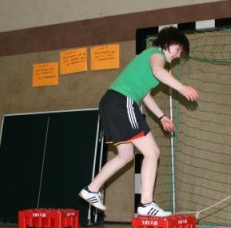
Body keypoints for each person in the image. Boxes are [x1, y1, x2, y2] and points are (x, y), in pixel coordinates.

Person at [79, 27, 199, 217]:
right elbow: (158, 71)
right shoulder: (156, 54)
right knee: (152, 152)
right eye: (178, 49)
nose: (178, 55)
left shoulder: (147, 58)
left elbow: (145, 94)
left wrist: (161, 117)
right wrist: (181, 87)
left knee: (125, 156)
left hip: (111, 102)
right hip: (122, 101)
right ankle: (146, 203)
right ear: (168, 43)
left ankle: (91, 189)